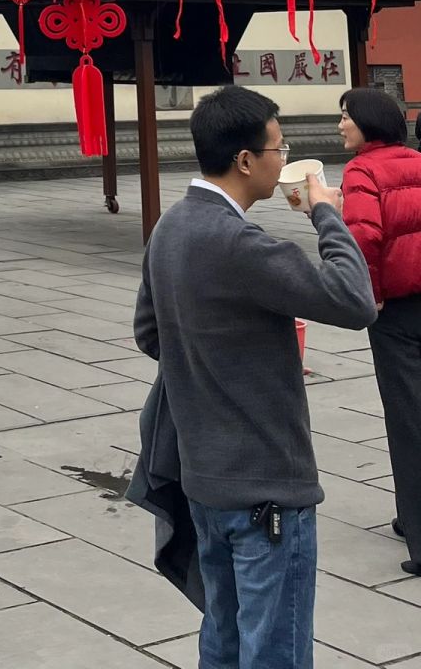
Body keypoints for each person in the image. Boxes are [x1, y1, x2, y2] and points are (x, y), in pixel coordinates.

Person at [135, 86, 376, 669]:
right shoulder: (239, 243)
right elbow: (354, 299)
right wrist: (326, 213)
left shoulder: (171, 226)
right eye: (278, 145)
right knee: (274, 648)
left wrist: (215, 355)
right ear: (246, 159)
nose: (282, 156)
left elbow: (150, 332)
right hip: (265, 484)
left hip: (204, 477)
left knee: (223, 636)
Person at [337, 86, 421, 577]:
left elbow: (363, 236)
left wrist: (366, 292)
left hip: (396, 313)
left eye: (345, 116)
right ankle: (408, 512)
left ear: (367, 122)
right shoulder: (416, 160)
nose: (341, 125)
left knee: (409, 420)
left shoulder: (362, 171)